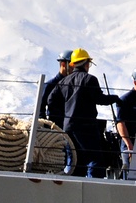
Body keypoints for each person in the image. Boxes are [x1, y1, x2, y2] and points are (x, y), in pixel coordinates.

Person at [44, 47, 120, 178]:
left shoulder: (63, 81)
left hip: (68, 128)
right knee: (95, 159)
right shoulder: (90, 79)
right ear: (86, 64)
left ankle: (75, 189)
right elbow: (99, 99)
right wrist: (115, 98)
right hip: (86, 128)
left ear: (73, 64)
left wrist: (62, 117)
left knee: (76, 161)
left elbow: (51, 99)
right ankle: (93, 189)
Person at [40, 50, 71, 129]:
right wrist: (46, 126)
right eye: (72, 64)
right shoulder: (49, 85)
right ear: (63, 64)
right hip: (55, 128)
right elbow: (40, 109)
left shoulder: (75, 85)